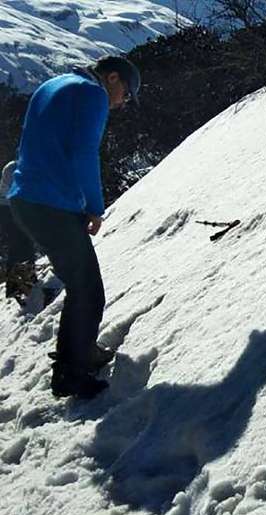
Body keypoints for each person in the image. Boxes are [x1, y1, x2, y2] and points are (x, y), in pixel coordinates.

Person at [7, 55, 141, 399]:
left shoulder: (53, 85)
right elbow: (83, 153)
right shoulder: (92, 94)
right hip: (50, 204)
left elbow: (45, 147)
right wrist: (95, 207)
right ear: (112, 78)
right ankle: (71, 374)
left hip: (26, 200)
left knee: (80, 283)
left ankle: (79, 353)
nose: (123, 103)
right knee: (88, 290)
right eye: (126, 93)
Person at [0, 160, 37, 304]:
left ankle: (26, 282)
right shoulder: (13, 168)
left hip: (13, 207)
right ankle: (18, 287)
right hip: (7, 209)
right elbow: (15, 191)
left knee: (24, 243)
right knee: (20, 244)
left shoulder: (27, 167)